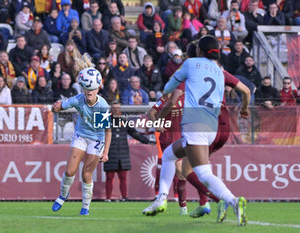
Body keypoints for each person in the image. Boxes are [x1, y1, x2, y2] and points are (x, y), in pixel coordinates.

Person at [142, 35, 248, 226]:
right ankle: (161, 199)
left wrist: (167, 90)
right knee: (168, 155)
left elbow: (169, 89)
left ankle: (232, 200)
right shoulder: (218, 71)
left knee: (203, 173)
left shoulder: (191, 65)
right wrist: (245, 109)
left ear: (199, 50)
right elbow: (246, 91)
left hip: (194, 124)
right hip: (212, 126)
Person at [51, 61, 111, 216]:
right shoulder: (78, 99)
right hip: (81, 135)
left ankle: (85, 206)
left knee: (86, 174)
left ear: (97, 89)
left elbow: (107, 130)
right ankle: (64, 195)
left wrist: (106, 152)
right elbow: (61, 105)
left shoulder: (102, 106)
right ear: (83, 88)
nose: (89, 91)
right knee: (70, 171)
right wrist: (56, 107)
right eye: (87, 88)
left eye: (92, 89)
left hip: (97, 139)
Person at [147, 85, 188, 215]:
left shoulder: (185, 97)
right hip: (167, 139)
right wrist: (156, 123)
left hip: (182, 138)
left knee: (181, 173)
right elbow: (151, 113)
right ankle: (180, 207)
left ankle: (177, 204)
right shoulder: (165, 98)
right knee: (180, 171)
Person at [104, 101, 150, 202]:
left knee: (123, 178)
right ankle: (108, 198)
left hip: (123, 154)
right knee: (109, 178)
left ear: (120, 109)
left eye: (118, 108)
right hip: (110, 153)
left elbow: (134, 133)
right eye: (114, 108)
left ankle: (124, 197)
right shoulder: (105, 121)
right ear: (111, 109)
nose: (116, 110)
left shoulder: (124, 121)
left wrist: (147, 141)